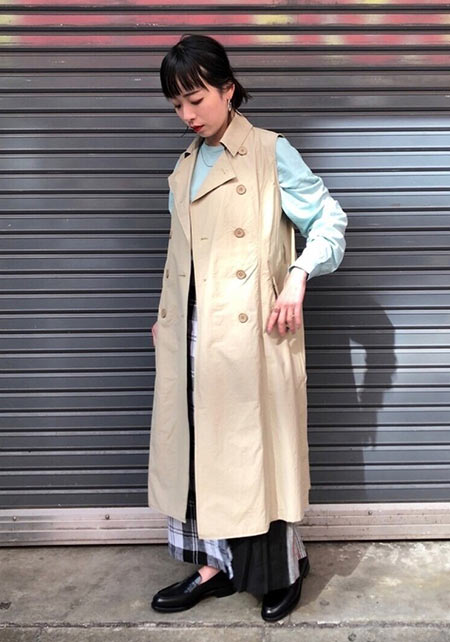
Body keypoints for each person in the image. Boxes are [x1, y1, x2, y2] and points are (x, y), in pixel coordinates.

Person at [148, 34, 347, 622]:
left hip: (249, 334)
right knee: (195, 450)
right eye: (177, 105)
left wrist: (298, 276)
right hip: (191, 331)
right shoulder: (184, 167)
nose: (187, 115)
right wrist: (165, 316)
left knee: (257, 453)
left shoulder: (268, 150)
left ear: (228, 89)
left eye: (196, 99)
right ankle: (211, 566)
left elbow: (330, 220)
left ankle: (283, 567)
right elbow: (182, 257)